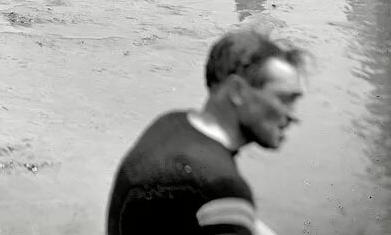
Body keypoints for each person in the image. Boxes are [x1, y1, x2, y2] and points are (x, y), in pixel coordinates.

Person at [106, 29, 305, 235]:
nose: (293, 116)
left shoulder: (171, 123)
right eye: (284, 99)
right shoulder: (222, 185)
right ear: (237, 91)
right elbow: (227, 204)